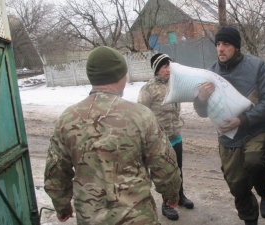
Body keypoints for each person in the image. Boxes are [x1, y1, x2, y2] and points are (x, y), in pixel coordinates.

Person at [44, 46, 182, 225]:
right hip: (137, 217)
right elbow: (164, 163)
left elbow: (55, 172)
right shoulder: (140, 115)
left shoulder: (67, 119)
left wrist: (62, 206)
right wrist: (171, 194)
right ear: (122, 76)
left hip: (91, 218)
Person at [193, 26, 265, 225]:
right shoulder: (211, 74)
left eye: (226, 44)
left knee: (255, 162)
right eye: (218, 44)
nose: (221, 48)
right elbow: (201, 112)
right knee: (237, 185)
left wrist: (243, 119)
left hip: (255, 128)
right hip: (228, 135)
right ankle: (250, 219)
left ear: (237, 47)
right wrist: (201, 98)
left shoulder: (256, 66)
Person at [137, 53, 194, 221]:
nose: (168, 70)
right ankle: (166, 204)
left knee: (179, 169)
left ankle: (181, 196)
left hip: (176, 134)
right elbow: (141, 113)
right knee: (165, 173)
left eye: (169, 66)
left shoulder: (174, 83)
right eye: (164, 67)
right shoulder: (148, 89)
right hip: (160, 139)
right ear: (157, 69)